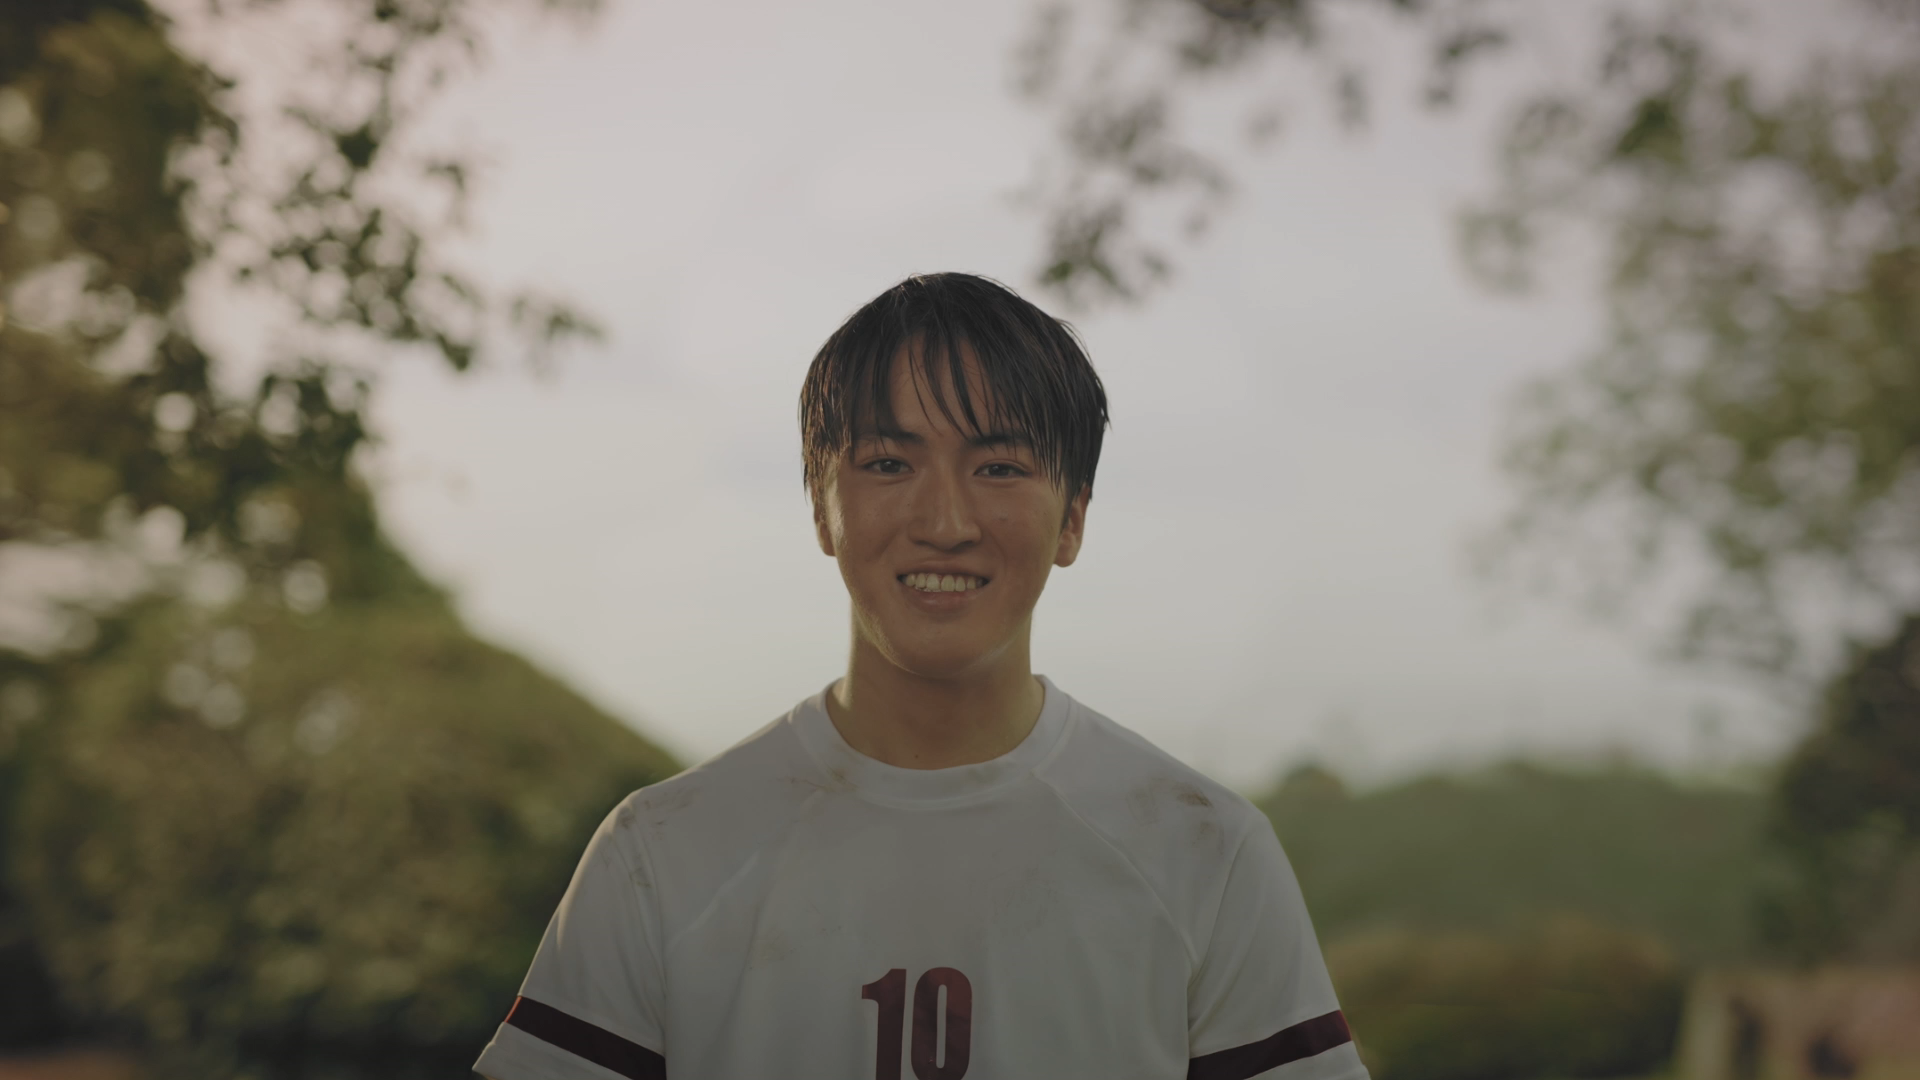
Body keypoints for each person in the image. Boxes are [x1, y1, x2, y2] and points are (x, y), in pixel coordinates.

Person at [472, 273, 1368, 1080]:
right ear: (822, 505)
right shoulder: (661, 855)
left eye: (999, 468)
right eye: (888, 464)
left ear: (1072, 520)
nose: (944, 521)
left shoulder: (1204, 854)